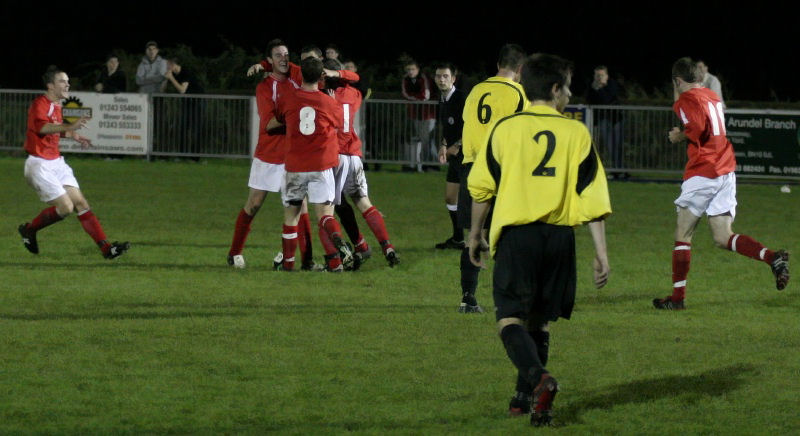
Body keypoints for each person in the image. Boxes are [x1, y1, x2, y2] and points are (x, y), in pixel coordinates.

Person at [468, 53, 611, 427]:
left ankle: (538, 379)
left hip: (518, 235)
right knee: (540, 321)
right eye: (566, 86)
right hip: (560, 238)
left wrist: (475, 234)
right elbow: (591, 196)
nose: (568, 93)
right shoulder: (576, 132)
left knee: (509, 317)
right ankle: (525, 401)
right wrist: (601, 253)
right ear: (553, 89)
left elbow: (482, 187)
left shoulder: (506, 129)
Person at [653, 57, 789, 310]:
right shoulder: (710, 95)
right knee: (722, 237)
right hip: (725, 170)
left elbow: (697, 128)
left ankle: (677, 299)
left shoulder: (685, 100)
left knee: (683, 235)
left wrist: (678, 135)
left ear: (678, 81)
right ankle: (773, 258)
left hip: (704, 171)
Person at [18, 66, 130, 260]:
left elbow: (54, 129)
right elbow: (42, 127)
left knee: (80, 203)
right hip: (39, 164)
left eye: (68, 81)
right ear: (50, 85)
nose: (67, 84)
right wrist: (70, 126)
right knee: (66, 208)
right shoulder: (40, 104)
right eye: (62, 81)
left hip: (56, 162)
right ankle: (29, 230)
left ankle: (106, 249)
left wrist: (74, 135)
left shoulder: (57, 106)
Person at [227, 39, 315, 270]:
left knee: (301, 207)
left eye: (286, 54)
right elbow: (270, 124)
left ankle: (307, 261)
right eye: (277, 55)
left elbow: (313, 70)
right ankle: (235, 252)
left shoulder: (297, 76)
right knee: (254, 204)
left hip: (293, 155)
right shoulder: (265, 88)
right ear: (269, 60)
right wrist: (296, 120)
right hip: (268, 154)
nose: (284, 58)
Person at [457, 43, 527, 313]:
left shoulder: (475, 90)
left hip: (471, 166)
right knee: (508, 235)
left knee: (472, 235)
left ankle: (468, 297)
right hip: (500, 167)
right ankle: (511, 298)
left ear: (499, 64)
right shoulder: (519, 93)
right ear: (520, 69)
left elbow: (468, 125)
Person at [274, 56, 354, 272]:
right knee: (325, 215)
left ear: (300, 75)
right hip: (320, 165)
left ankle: (288, 264)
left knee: (291, 215)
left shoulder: (288, 98)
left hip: (295, 166)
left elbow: (280, 118)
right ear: (321, 77)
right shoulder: (328, 102)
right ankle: (339, 251)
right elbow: (338, 124)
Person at [323, 58, 399, 269]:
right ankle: (388, 247)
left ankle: (337, 258)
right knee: (363, 202)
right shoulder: (355, 94)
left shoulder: (325, 96)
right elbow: (358, 81)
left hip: (336, 156)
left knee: (327, 208)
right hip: (354, 155)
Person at [433, 62, 467, 250]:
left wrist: (456, 145)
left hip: (468, 156)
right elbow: (447, 127)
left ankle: (484, 240)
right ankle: (458, 238)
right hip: (456, 156)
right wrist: (444, 145)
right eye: (438, 76)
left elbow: (471, 126)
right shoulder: (443, 99)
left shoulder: (462, 99)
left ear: (453, 78)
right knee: (450, 198)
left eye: (445, 76)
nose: (441, 79)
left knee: (474, 199)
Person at [586, 65, 626, 178]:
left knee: (618, 145)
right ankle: (617, 171)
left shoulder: (612, 84)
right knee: (610, 145)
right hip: (603, 119)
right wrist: (594, 89)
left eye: (601, 75)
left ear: (607, 76)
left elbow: (608, 99)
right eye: (597, 75)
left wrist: (601, 88)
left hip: (617, 118)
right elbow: (590, 100)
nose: (599, 78)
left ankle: (621, 170)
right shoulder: (592, 86)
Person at [164, 57, 206, 155]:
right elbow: (163, 89)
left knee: (196, 129)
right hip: (187, 103)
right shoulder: (173, 74)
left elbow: (182, 90)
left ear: (173, 64)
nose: (166, 67)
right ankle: (182, 154)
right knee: (182, 128)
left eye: (168, 65)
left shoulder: (185, 72)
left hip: (198, 102)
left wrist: (171, 78)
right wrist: (166, 79)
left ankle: (195, 157)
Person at [401, 58, 436, 172]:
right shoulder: (405, 79)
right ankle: (419, 164)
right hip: (415, 114)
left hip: (427, 114)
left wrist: (414, 98)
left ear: (418, 69)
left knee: (426, 140)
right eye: (408, 69)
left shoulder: (423, 78)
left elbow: (426, 95)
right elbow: (405, 93)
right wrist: (415, 98)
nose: (410, 71)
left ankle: (430, 164)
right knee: (419, 139)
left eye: (413, 69)